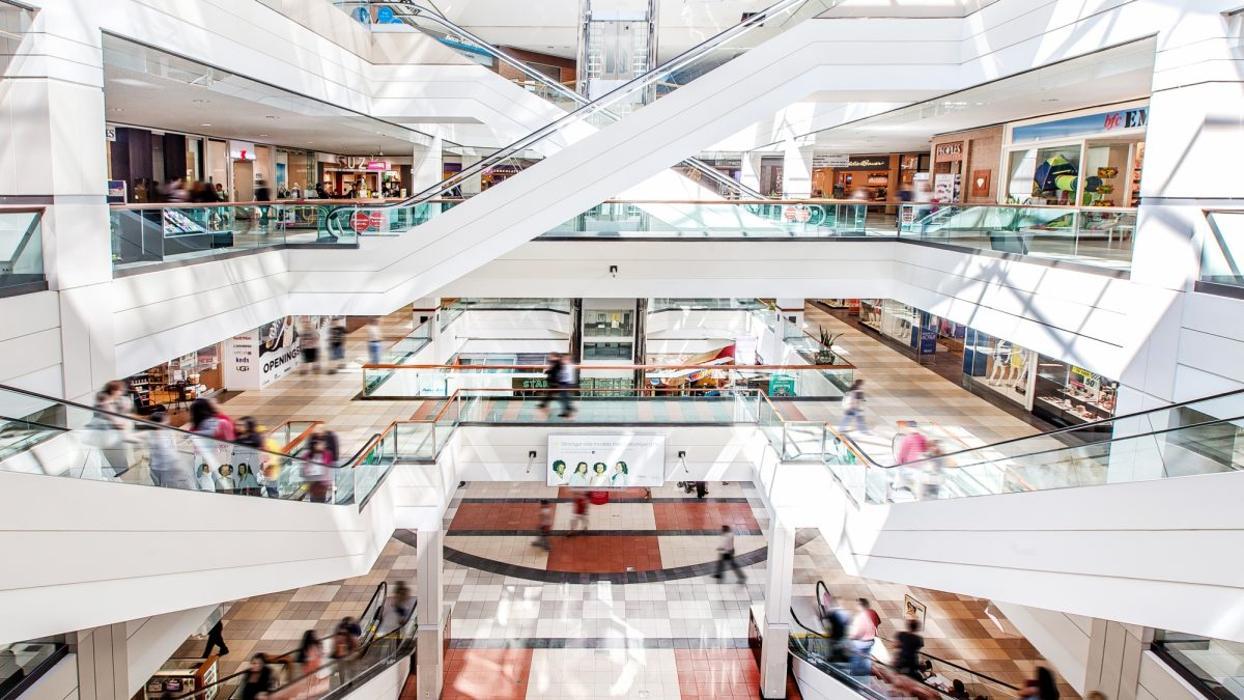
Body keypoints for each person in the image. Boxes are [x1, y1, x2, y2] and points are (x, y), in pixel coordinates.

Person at [147, 411, 193, 489]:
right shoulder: (154, 437)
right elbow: (168, 452)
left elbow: (174, 444)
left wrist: (185, 437)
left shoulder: (166, 432)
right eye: (165, 421)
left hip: (166, 469)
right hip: (163, 470)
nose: (168, 422)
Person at [849, 598, 879, 676]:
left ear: (860, 606)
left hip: (861, 643)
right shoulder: (873, 613)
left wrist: (850, 637)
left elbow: (858, 633)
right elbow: (877, 622)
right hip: (871, 641)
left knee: (856, 659)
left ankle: (855, 673)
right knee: (866, 656)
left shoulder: (860, 617)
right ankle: (868, 669)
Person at [819, 592, 852, 664]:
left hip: (834, 636)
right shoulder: (845, 613)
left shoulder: (832, 612)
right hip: (842, 636)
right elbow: (848, 623)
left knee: (834, 649)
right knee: (841, 649)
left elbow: (826, 623)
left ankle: (830, 661)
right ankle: (844, 659)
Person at [302, 438, 333, 503]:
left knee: (321, 499)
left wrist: (329, 482)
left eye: (323, 444)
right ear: (314, 445)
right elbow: (305, 466)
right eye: (320, 444)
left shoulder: (326, 454)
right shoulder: (308, 455)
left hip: (322, 482)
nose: (323, 446)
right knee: (314, 499)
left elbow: (328, 467)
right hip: (313, 481)